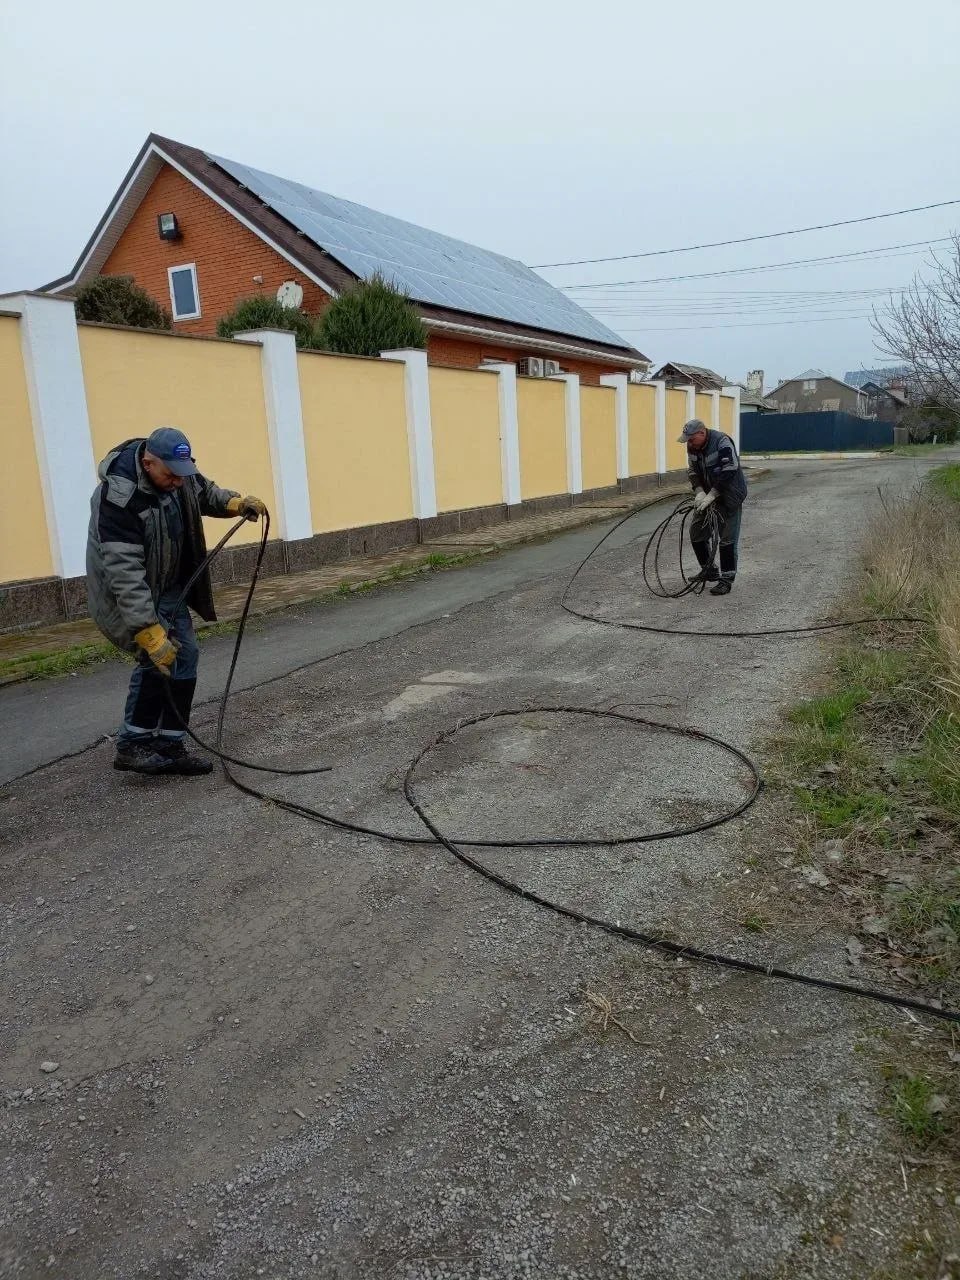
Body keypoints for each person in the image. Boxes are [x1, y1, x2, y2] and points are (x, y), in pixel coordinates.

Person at [86, 427, 267, 776]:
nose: (178, 482)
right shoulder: (119, 498)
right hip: (132, 593)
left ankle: (171, 744)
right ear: (148, 463)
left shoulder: (177, 473)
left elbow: (204, 491)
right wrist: (148, 631)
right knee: (156, 658)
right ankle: (132, 745)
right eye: (171, 475)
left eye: (183, 474)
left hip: (169, 587)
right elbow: (124, 573)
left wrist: (235, 503)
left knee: (186, 656)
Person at [679, 418, 748, 595]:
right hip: (708, 497)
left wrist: (713, 494)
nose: (689, 443)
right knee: (697, 533)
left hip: (729, 496)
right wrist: (700, 492)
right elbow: (692, 471)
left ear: (702, 433)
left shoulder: (722, 441)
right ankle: (709, 570)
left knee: (727, 540)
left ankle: (726, 580)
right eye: (687, 440)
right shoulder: (692, 447)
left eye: (691, 439)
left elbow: (730, 469)